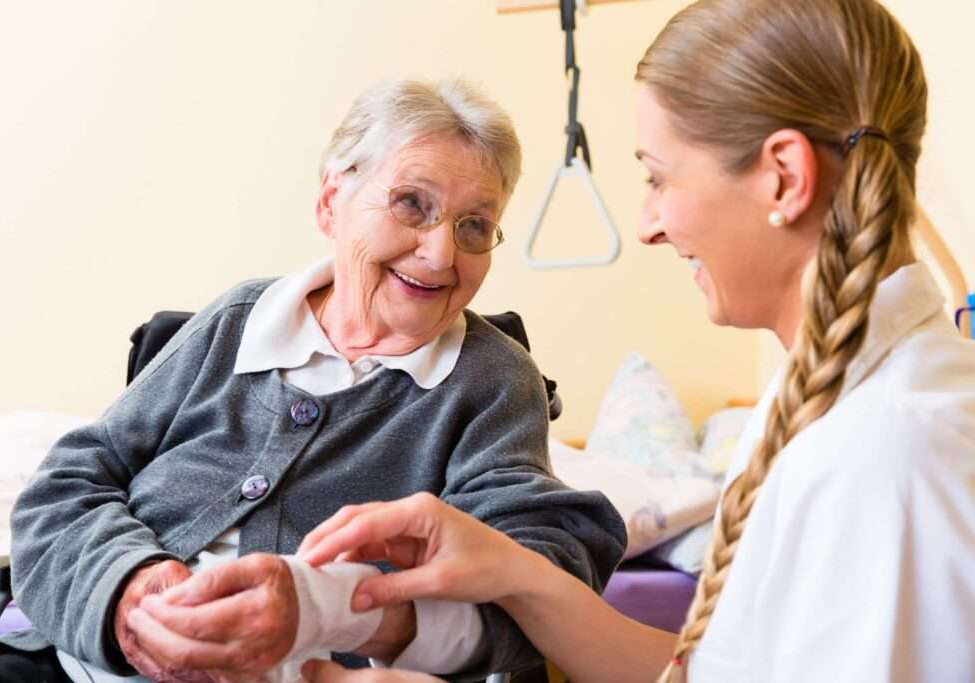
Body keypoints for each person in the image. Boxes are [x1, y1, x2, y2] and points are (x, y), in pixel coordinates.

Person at [294, 1, 975, 681]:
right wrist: (514, 573)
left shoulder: (889, 454)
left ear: (785, 178)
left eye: (657, 176)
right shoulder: (826, 401)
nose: (647, 224)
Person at [0, 79, 626, 683]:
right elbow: (67, 484)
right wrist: (126, 590)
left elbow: (540, 573)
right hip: (79, 663)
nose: (441, 252)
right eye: (412, 205)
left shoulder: (491, 379)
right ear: (333, 201)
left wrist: (321, 609)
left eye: (475, 225)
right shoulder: (240, 320)